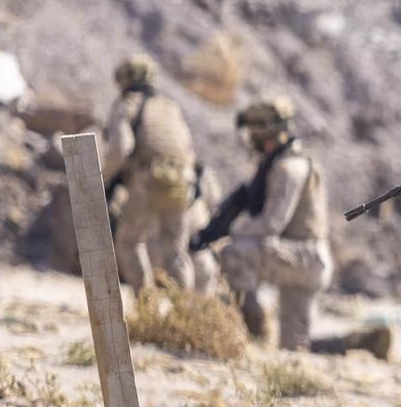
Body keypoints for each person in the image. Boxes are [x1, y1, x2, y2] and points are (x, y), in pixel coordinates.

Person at [216, 97, 334, 352]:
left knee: (233, 254)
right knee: (294, 347)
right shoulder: (292, 162)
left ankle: (254, 330)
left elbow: (271, 223)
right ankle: (354, 343)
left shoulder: (287, 168)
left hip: (304, 257)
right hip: (309, 259)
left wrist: (232, 230)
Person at [101, 54, 199, 291]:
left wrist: (102, 180)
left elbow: (120, 148)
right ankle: (185, 311)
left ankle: (147, 306)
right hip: (182, 181)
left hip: (148, 180)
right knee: (176, 251)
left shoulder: (127, 105)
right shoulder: (169, 106)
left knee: (130, 241)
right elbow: (187, 148)